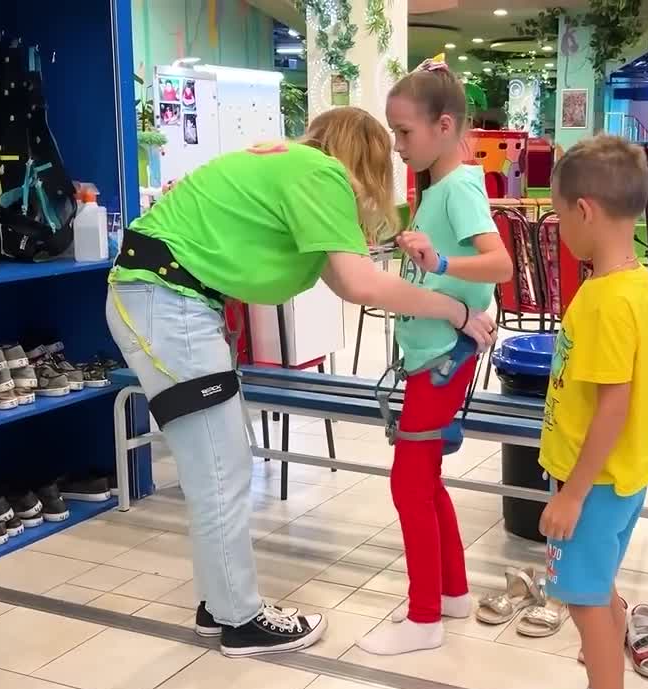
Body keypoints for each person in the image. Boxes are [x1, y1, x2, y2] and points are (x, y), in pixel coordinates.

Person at [105, 106, 497, 659]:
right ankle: (240, 619)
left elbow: (343, 277)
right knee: (222, 469)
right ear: (365, 160)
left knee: (214, 464)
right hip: (167, 303)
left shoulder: (290, 163)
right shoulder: (322, 174)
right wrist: (455, 311)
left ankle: (220, 604)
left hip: (157, 299)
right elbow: (361, 283)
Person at [356, 58, 513, 656]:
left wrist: (439, 265)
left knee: (409, 484)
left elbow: (499, 265)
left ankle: (423, 618)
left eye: (405, 133)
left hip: (443, 356)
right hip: (434, 353)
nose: (398, 147)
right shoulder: (441, 188)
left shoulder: (460, 186)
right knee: (425, 481)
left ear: (444, 126)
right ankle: (451, 593)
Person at [528, 135, 648, 689]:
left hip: (595, 484)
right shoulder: (638, 284)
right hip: (622, 477)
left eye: (558, 216)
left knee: (585, 607)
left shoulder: (604, 299)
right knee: (601, 592)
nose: (559, 228)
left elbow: (613, 403)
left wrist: (573, 494)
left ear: (584, 210)